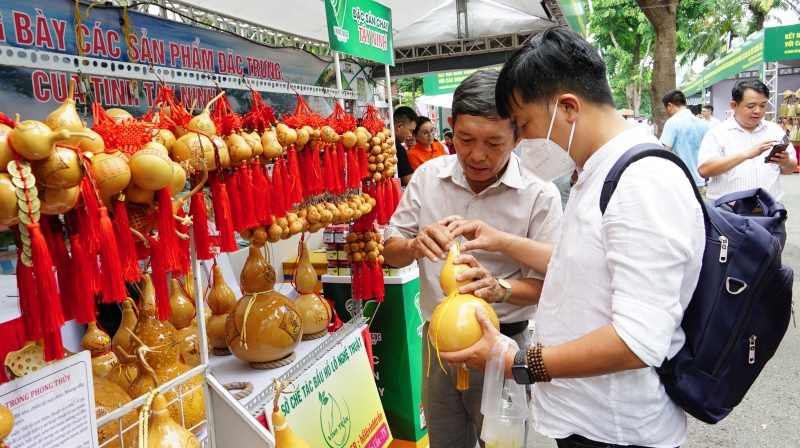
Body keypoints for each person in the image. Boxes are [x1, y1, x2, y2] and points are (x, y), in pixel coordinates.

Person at [438, 26, 705, 448]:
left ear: (567, 108)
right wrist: (502, 241)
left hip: (616, 430)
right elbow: (573, 262)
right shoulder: (599, 174)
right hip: (589, 420)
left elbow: (637, 341)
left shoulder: (642, 183)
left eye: (523, 125)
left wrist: (518, 361)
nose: (521, 141)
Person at [382, 70, 563, 448]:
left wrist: (501, 289)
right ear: (451, 127)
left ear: (517, 135)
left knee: (503, 444)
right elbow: (390, 251)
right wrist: (414, 246)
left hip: (502, 347)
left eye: (494, 142)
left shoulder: (538, 194)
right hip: (439, 348)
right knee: (445, 443)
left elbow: (554, 284)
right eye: (465, 139)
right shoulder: (427, 177)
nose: (477, 155)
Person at [698, 80, 798, 202]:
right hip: (729, 213)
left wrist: (785, 162)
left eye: (763, 105)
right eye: (750, 106)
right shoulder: (717, 134)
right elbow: (705, 170)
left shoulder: (775, 130)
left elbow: (790, 169)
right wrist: (746, 154)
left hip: (770, 211)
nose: (758, 111)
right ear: (734, 106)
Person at [660, 89, 710, 196]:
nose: (666, 112)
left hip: (678, 180)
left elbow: (665, 152)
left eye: (665, 109)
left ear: (670, 105)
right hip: (699, 180)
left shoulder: (672, 123)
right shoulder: (702, 124)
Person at [392, 106, 418, 186]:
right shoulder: (397, 148)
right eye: (411, 131)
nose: (410, 136)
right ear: (399, 126)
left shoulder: (381, 140)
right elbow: (410, 181)